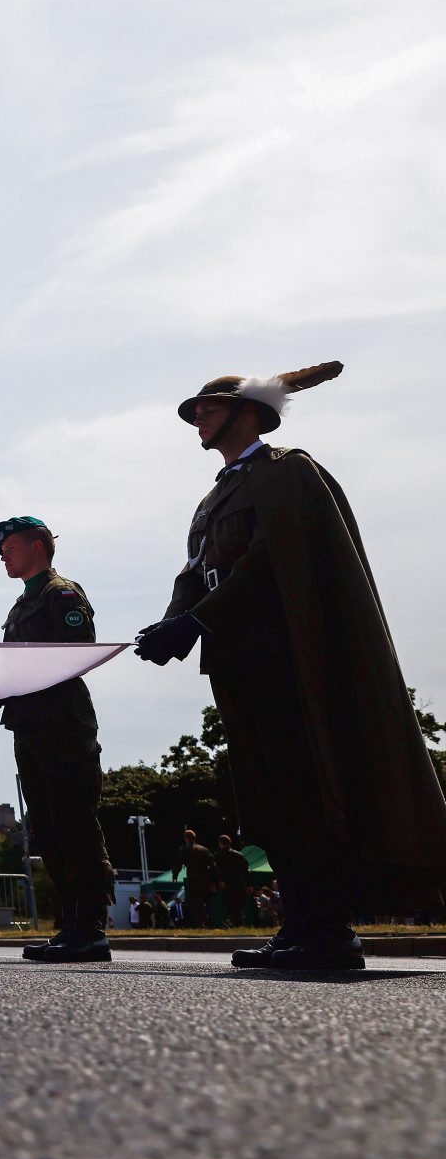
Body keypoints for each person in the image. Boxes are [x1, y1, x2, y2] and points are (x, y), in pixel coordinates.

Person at [136, 362, 446, 968]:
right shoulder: (215, 495)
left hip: (287, 658)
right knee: (268, 796)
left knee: (306, 788)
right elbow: (196, 570)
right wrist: (174, 619)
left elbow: (267, 561)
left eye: (208, 405)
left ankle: (330, 931)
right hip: (237, 659)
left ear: (249, 411)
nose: (196, 415)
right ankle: (299, 924)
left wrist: (197, 622)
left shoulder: (285, 472)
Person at [0, 515, 116, 964]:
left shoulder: (62, 594)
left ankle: (90, 927)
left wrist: (18, 677)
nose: (3, 555)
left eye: (10, 547)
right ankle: (70, 923)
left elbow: (74, 655)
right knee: (46, 826)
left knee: (74, 822)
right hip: (30, 726)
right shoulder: (21, 605)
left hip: (62, 725)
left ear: (38, 546)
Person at [175, 829, 218, 929]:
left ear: (185, 838)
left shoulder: (184, 849)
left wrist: (175, 874)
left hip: (193, 879)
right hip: (205, 878)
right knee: (207, 900)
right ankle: (210, 922)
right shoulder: (204, 849)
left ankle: (201, 922)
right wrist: (215, 880)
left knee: (196, 901)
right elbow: (213, 865)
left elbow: (178, 863)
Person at [216, 834, 252, 928]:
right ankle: (238, 923)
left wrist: (219, 881)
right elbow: (246, 870)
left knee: (230, 905)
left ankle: (235, 923)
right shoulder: (239, 855)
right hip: (240, 884)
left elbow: (216, 871)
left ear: (220, 843)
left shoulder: (219, 856)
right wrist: (249, 884)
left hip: (227, 884)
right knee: (239, 905)